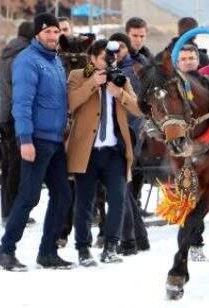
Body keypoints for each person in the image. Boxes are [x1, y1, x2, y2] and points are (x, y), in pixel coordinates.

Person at [0, 13, 74, 271]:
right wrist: (24, 139)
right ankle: (5, 251)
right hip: (35, 140)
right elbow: (22, 104)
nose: (53, 36)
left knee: (63, 195)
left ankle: (47, 252)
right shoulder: (28, 61)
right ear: (37, 34)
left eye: (55, 31)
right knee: (29, 196)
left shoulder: (55, 62)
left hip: (54, 140)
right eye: (47, 31)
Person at [66, 39, 142, 266]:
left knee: (118, 200)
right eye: (103, 59)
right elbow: (70, 103)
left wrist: (119, 93)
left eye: (113, 59)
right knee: (84, 202)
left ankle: (111, 246)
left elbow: (138, 109)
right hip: (87, 151)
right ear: (92, 58)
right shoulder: (78, 76)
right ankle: (83, 248)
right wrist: (92, 83)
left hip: (113, 153)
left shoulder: (121, 78)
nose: (109, 63)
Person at [108, 32, 151, 255]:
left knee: (118, 188)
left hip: (125, 138)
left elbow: (136, 111)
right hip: (116, 138)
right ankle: (139, 237)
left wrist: (128, 140)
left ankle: (128, 241)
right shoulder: (109, 70)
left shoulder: (130, 71)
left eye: (121, 48)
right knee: (123, 188)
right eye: (112, 49)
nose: (116, 53)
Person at [0, 21, 35, 227]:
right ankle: (12, 214)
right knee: (16, 167)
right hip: (13, 117)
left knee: (8, 166)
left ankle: (7, 212)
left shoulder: (6, 53)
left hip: (3, 115)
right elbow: (20, 91)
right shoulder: (22, 56)